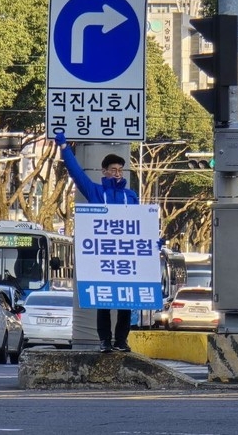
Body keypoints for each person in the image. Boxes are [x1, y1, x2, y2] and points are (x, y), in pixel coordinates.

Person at [55, 132, 138, 353]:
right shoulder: (96, 192)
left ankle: (121, 340)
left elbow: (141, 224)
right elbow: (76, 173)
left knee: (126, 301)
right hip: (102, 255)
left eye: (120, 170)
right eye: (113, 169)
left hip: (125, 255)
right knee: (104, 300)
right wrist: (64, 147)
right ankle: (105, 341)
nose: (117, 173)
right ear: (104, 171)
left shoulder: (130, 196)